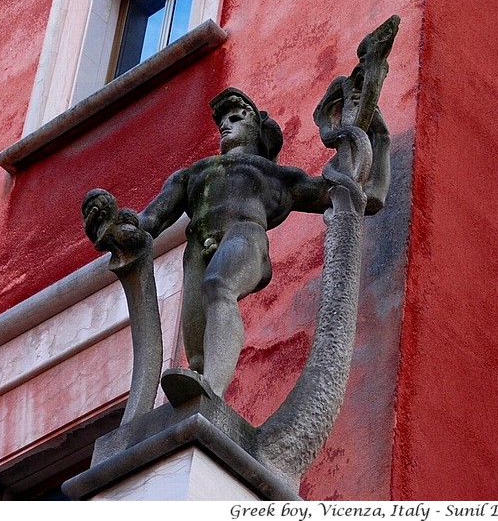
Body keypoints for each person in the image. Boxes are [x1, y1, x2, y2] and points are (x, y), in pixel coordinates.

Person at [85, 88, 367, 398]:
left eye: (236, 118)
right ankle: (199, 387)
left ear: (257, 130)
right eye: (223, 121)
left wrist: (356, 135)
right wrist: (112, 227)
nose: (226, 125)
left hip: (245, 236)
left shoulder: (275, 174)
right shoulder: (193, 174)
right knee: (196, 350)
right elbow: (149, 222)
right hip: (197, 248)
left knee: (219, 287)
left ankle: (212, 393)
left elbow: (337, 189)